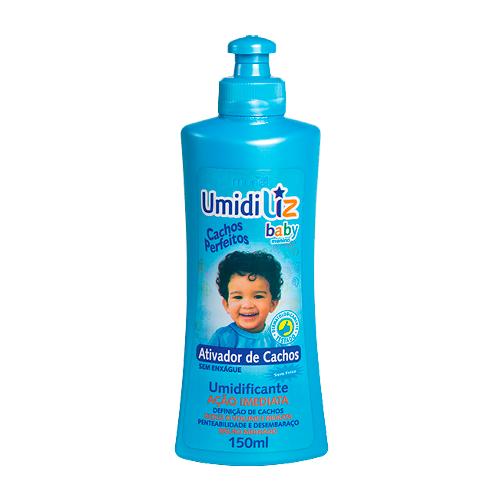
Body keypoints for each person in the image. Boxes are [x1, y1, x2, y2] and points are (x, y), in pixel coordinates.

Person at [208, 250, 283, 348]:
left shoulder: (277, 340)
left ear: (273, 304)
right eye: (238, 297)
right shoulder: (222, 338)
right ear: (226, 304)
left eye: (258, 296)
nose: (247, 305)